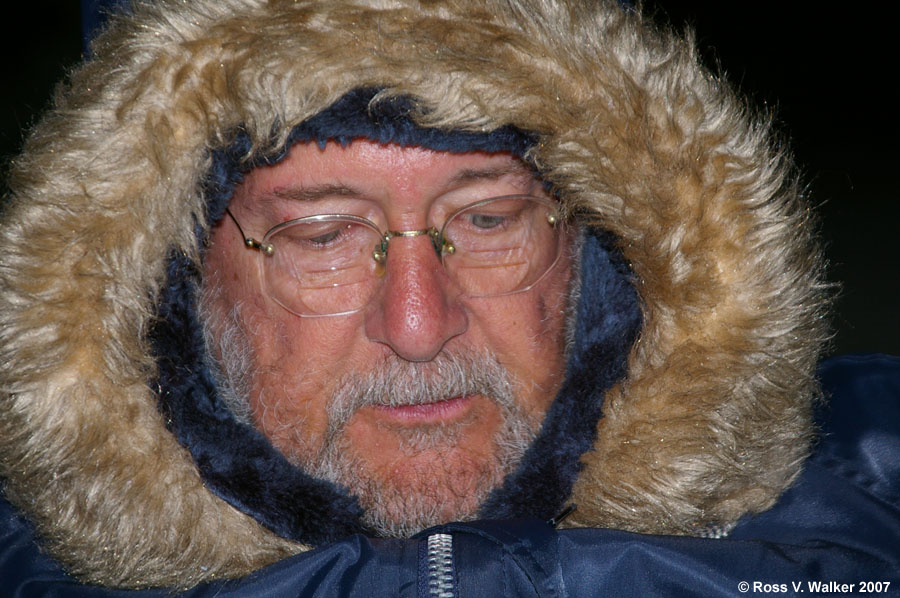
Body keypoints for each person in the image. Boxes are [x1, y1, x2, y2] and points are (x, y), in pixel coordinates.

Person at [0, 0, 897, 595]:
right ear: (164, 278)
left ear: (610, 238)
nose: (421, 327)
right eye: (324, 237)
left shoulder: (870, 488)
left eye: (491, 219)